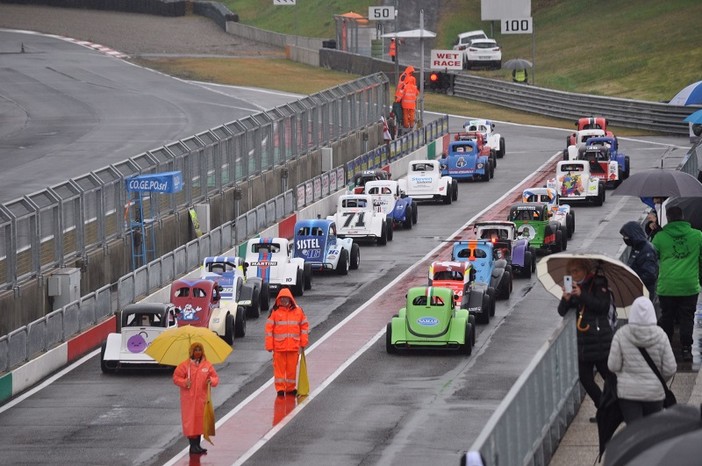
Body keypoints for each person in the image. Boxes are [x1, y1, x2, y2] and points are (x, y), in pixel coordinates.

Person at [557, 258, 615, 421]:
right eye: (570, 272)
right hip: (582, 342)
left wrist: (582, 295)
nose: (573, 275)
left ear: (585, 270)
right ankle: (603, 408)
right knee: (585, 378)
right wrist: (566, 298)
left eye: (576, 271)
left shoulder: (598, 283)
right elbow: (562, 311)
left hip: (599, 338)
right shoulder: (574, 288)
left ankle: (617, 408)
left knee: (609, 377)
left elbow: (602, 306)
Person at [607, 296, 676, 424]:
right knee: (653, 431)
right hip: (654, 392)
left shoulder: (621, 334)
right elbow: (670, 368)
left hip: (628, 394)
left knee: (634, 432)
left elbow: (613, 366)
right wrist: (658, 380)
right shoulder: (661, 335)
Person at [651, 205, 702, 362]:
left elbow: (653, 256)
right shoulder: (697, 235)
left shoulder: (660, 237)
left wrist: (655, 231)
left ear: (668, 218)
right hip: (689, 285)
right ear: (683, 217)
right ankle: (686, 349)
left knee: (667, 317)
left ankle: (666, 349)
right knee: (687, 317)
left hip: (667, 286)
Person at [173, 342, 220, 455]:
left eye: (199, 350)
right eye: (196, 350)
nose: (198, 352)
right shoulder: (185, 366)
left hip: (202, 400)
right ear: (192, 352)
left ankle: (197, 445)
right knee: (190, 422)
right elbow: (176, 378)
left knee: (200, 422)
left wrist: (211, 381)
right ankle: (192, 446)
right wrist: (184, 382)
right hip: (188, 400)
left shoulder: (207, 365)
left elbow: (215, 377)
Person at [265, 288, 309, 396]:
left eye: (286, 298)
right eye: (282, 298)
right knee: (279, 370)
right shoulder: (275, 312)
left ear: (290, 299)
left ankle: (290, 388)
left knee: (291, 370)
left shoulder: (298, 311)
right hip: (279, 347)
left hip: (293, 347)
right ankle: (280, 389)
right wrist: (269, 345)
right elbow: (268, 330)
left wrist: (303, 342)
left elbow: (304, 327)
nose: (284, 300)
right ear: (279, 299)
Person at [619, 221, 659, 300]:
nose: (625, 238)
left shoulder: (646, 250)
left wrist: (632, 278)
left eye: (626, 236)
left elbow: (650, 275)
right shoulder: (636, 247)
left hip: (644, 292)